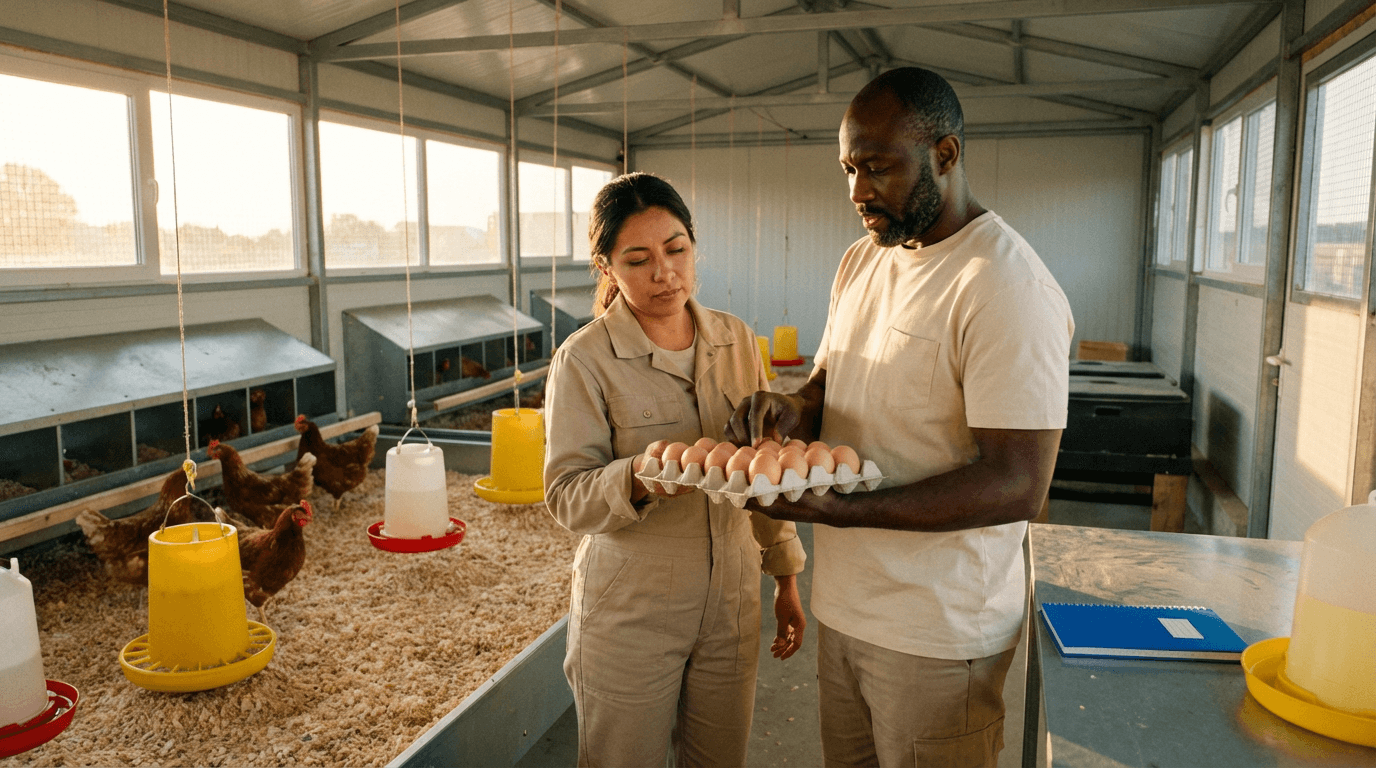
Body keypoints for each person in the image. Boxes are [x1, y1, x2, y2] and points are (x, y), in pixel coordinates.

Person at [726, 67, 1074, 767]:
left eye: (878, 168)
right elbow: (834, 378)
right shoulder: (864, 260)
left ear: (944, 155)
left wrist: (847, 512)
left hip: (939, 635)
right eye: (849, 168)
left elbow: (1017, 485)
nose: (858, 191)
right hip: (847, 610)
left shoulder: (1003, 285)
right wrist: (793, 409)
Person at [543, 172, 808, 767]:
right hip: (632, 606)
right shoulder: (584, 361)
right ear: (607, 268)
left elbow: (761, 466)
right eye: (637, 259)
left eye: (677, 250)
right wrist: (637, 476)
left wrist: (786, 576)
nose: (664, 273)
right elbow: (565, 497)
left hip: (732, 599)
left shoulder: (737, 339)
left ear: (694, 247)